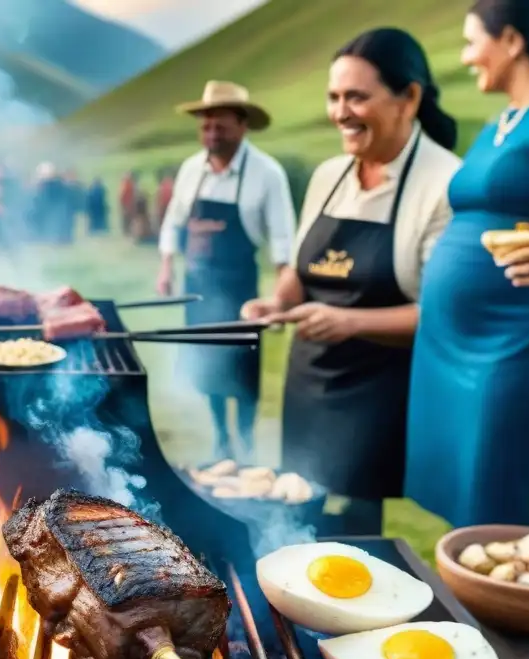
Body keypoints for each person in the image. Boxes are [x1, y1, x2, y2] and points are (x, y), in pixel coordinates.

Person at [242, 29, 461, 535]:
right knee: (293, 517)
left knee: (357, 532)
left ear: (410, 97)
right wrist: (275, 303)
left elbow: (442, 315)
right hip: (307, 387)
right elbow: (301, 269)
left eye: (357, 97)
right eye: (334, 97)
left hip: (377, 393)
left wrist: (346, 321)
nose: (341, 112)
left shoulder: (444, 184)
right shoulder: (329, 175)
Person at [407, 0, 529, 529]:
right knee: (456, 494)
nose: (465, 57)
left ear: (511, 41)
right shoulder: (497, 124)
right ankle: (463, 601)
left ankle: (495, 609)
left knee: (492, 491)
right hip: (447, 341)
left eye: (471, 41)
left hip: (509, 339)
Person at [157, 81, 296, 462]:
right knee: (207, 370)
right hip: (197, 288)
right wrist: (167, 265)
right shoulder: (190, 170)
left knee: (244, 376)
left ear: (242, 124)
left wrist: (284, 291)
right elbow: (173, 223)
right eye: (206, 126)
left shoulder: (267, 174)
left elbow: (283, 241)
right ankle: (221, 441)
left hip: (240, 292)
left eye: (220, 125)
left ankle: (247, 449)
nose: (211, 133)